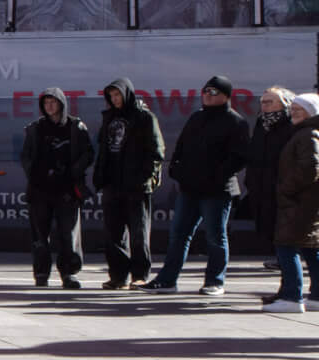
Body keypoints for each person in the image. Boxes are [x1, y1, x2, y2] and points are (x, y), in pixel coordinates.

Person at [149, 75, 251, 296]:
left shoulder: (236, 122)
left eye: (213, 92)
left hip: (217, 191)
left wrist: (215, 177)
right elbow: (181, 146)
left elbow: (239, 157)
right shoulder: (196, 118)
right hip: (189, 189)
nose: (207, 95)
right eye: (205, 91)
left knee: (216, 236)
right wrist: (175, 168)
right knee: (179, 234)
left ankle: (215, 281)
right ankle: (167, 280)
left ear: (225, 96)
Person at [93, 77, 164, 289]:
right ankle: (118, 276)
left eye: (118, 95)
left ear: (127, 94)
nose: (115, 99)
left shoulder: (144, 117)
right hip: (112, 183)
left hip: (136, 184)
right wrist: (100, 176)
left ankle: (139, 275)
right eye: (111, 96)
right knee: (113, 233)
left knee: (139, 232)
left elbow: (157, 151)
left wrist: (145, 177)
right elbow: (103, 148)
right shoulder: (109, 118)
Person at [19, 88, 92, 287]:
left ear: (62, 103)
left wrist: (72, 173)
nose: (49, 106)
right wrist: (34, 174)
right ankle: (41, 274)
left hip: (67, 190)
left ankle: (69, 273)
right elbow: (25, 155)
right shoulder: (35, 128)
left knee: (68, 234)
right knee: (40, 236)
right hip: (40, 190)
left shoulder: (75, 127)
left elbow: (87, 153)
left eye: (53, 102)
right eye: (46, 102)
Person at [263, 94, 319, 313]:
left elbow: (311, 168)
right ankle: (315, 296)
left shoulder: (307, 134)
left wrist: (286, 188)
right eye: (293, 108)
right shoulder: (306, 133)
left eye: (300, 109)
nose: (294, 112)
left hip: (298, 202)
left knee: (287, 247)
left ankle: (291, 297)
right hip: (305, 202)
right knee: (310, 249)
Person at [246, 87, 297, 271]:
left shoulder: (292, 124)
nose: (265, 105)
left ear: (284, 104)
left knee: (285, 227)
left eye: (270, 102)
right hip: (262, 184)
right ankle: (281, 259)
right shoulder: (261, 123)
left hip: (284, 186)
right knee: (270, 225)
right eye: (263, 102)